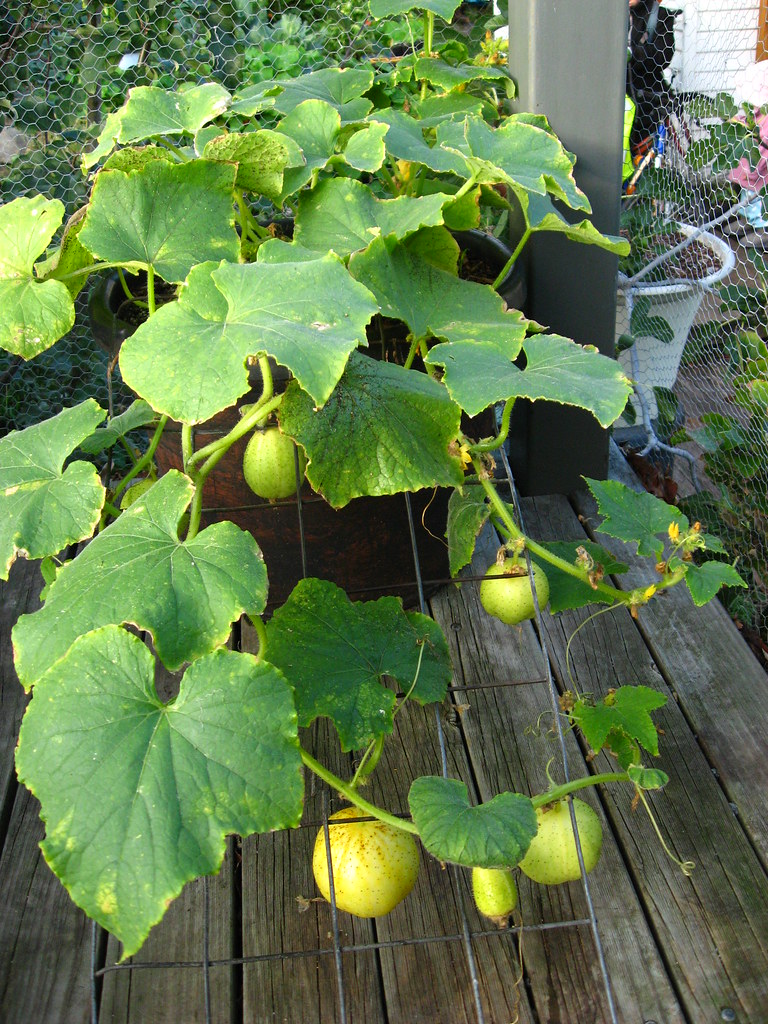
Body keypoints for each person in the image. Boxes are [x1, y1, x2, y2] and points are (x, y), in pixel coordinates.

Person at [626, 0, 679, 148]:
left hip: (646, 100)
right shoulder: (612, 17)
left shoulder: (659, 16)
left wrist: (633, 53)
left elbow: (663, 56)